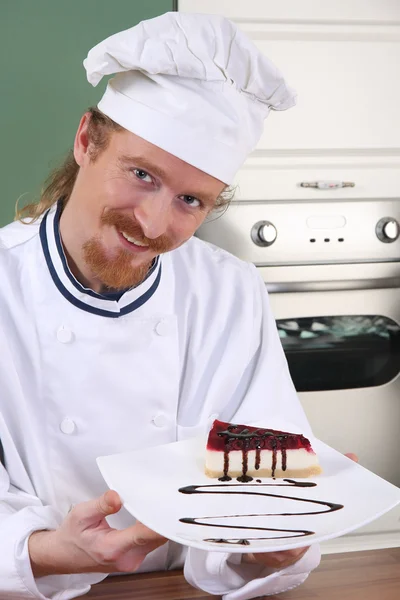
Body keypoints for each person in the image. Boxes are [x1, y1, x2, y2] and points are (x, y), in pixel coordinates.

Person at [0, 11, 336, 600]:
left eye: (190, 199)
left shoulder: (229, 293)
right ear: (86, 140)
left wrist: (270, 544)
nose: (153, 222)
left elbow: (261, 485)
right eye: (140, 174)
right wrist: (52, 551)